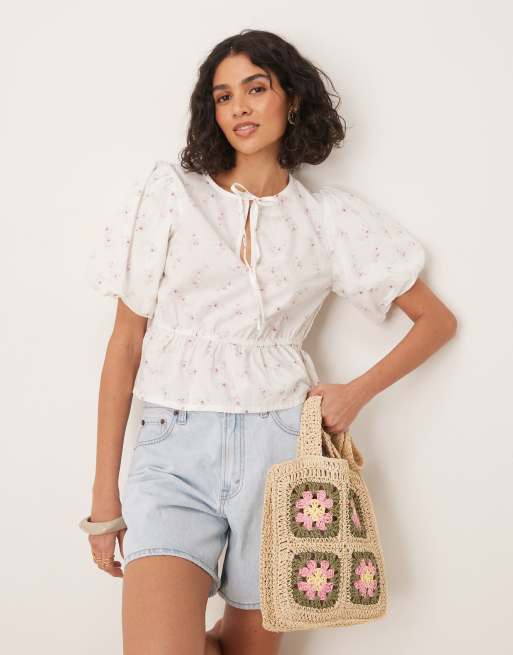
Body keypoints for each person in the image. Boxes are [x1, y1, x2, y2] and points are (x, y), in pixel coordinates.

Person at [80, 28, 457, 655]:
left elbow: (436, 322)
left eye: (256, 89)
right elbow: (125, 345)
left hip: (282, 457)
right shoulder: (171, 195)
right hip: (173, 451)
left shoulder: (328, 218)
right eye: (223, 96)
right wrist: (103, 500)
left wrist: (355, 394)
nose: (239, 108)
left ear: (293, 100)